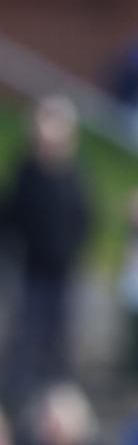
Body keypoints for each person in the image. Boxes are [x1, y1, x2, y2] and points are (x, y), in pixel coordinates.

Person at [0, 96, 92, 406]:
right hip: (33, 269)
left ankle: (57, 394)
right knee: (27, 333)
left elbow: (84, 217)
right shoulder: (27, 172)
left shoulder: (74, 175)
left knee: (59, 336)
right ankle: (18, 395)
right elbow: (13, 217)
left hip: (63, 270)